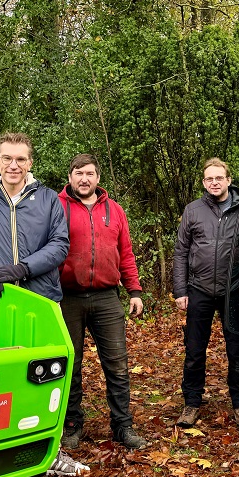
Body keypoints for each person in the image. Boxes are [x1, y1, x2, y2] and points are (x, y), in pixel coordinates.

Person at [0, 132, 87, 477]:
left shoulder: (48, 201)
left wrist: (23, 268)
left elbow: (59, 245)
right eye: (7, 158)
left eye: (21, 159)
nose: (14, 165)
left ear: (30, 163)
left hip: (41, 299)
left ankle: (50, 451)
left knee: (45, 376)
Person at [58, 154, 147, 451]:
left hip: (107, 297)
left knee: (118, 365)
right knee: (71, 365)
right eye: (79, 173)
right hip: (65, 297)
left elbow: (126, 253)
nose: (85, 178)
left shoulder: (115, 210)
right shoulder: (55, 208)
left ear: (98, 178)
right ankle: (71, 425)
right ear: (70, 176)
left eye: (90, 173)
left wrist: (134, 290)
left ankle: (123, 426)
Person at [173, 158, 239, 428]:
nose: (214, 182)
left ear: (229, 180)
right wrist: (180, 289)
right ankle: (191, 403)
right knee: (195, 350)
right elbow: (181, 251)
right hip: (199, 289)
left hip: (233, 292)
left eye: (218, 178)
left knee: (237, 350)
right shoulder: (193, 210)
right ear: (203, 182)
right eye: (209, 179)